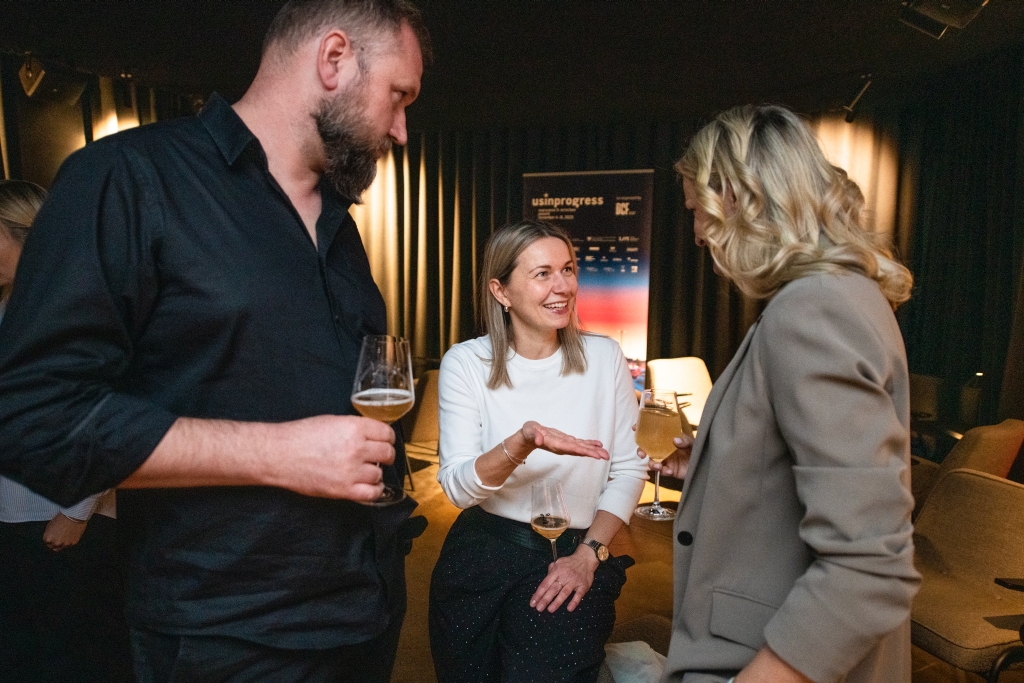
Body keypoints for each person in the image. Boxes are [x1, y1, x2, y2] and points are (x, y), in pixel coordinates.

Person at [0, 2, 430, 682]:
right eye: (398, 97)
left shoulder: (339, 225)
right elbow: (33, 416)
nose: (400, 130)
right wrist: (278, 453)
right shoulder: (129, 178)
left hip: (364, 613)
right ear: (334, 59)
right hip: (225, 636)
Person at [650, 104, 920, 683]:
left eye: (696, 212)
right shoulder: (844, 294)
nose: (696, 234)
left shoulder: (813, 309)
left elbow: (870, 564)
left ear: (736, 199)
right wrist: (721, 462)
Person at [429, 219, 649, 683]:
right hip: (481, 555)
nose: (563, 286)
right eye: (543, 274)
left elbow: (629, 469)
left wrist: (589, 555)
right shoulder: (466, 363)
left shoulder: (604, 357)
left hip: (574, 553)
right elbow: (459, 490)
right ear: (501, 291)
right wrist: (521, 442)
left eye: (568, 270)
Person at [0, 179, 130, 683]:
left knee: (78, 659)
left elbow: (111, 413)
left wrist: (76, 512)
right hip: (10, 518)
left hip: (64, 519)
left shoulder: (81, 304)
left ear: (24, 232)